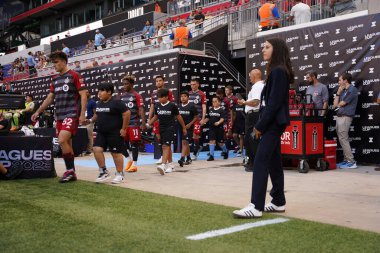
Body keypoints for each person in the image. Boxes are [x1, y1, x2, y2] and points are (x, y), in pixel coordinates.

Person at [233, 38, 294, 218]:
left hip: (273, 124)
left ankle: (256, 206)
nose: (263, 50)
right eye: (263, 47)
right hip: (273, 122)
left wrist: (260, 126)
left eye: (267, 47)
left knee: (259, 161)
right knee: (274, 163)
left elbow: (273, 104)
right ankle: (278, 201)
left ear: (277, 50)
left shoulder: (278, 71)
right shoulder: (277, 71)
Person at [31, 51, 88, 183]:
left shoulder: (75, 75)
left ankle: (69, 171)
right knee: (67, 143)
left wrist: (82, 114)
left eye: (56, 62)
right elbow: (50, 98)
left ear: (64, 61)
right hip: (59, 116)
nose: (54, 65)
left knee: (62, 140)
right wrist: (38, 111)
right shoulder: (55, 79)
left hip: (71, 114)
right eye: (53, 63)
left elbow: (83, 95)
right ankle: (72, 172)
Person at [90, 83, 130, 184]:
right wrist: (89, 121)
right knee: (96, 149)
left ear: (109, 92)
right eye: (98, 91)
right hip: (101, 133)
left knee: (116, 153)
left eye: (101, 91)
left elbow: (127, 114)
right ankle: (103, 172)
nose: (99, 93)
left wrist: (124, 129)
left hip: (115, 132)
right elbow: (97, 115)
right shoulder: (99, 103)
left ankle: (120, 174)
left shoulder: (117, 102)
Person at [148, 88, 187, 175]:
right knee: (166, 147)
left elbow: (179, 117)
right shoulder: (157, 105)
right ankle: (171, 165)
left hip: (170, 128)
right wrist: (149, 123)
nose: (159, 99)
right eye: (158, 98)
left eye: (161, 97)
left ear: (166, 97)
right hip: (161, 128)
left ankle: (163, 165)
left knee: (165, 146)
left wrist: (184, 127)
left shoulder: (172, 106)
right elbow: (156, 116)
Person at [238, 69, 265, 172]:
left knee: (253, 140)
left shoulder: (258, 86)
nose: (249, 78)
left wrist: (244, 102)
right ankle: (252, 162)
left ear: (254, 76)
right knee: (250, 140)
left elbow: (255, 102)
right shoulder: (258, 86)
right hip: (253, 115)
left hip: (254, 115)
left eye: (250, 76)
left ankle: (255, 164)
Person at [120, 75, 146, 173]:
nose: (124, 86)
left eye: (126, 84)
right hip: (123, 124)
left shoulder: (137, 95)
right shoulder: (121, 96)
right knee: (120, 143)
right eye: (123, 84)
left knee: (134, 144)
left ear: (131, 84)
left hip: (134, 123)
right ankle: (129, 160)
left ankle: (134, 165)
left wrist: (143, 123)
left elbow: (141, 109)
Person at [333, 73, 358, 169]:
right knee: (342, 139)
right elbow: (335, 105)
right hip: (339, 116)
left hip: (346, 117)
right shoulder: (342, 90)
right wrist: (338, 93)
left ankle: (351, 161)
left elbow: (341, 104)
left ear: (345, 80)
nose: (338, 82)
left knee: (343, 139)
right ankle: (346, 160)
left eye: (340, 80)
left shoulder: (352, 90)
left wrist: (339, 98)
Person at [148, 75, 175, 164]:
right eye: (157, 81)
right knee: (159, 138)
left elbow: (171, 106)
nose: (158, 82)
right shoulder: (153, 93)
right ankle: (162, 156)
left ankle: (166, 160)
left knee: (166, 141)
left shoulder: (168, 92)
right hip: (157, 119)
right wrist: (149, 118)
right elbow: (152, 106)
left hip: (166, 120)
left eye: (160, 80)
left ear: (163, 82)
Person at [178, 91, 198, 167]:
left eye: (184, 96)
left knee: (185, 142)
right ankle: (189, 158)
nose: (183, 98)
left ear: (188, 97)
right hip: (180, 127)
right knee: (185, 143)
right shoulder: (178, 106)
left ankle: (182, 158)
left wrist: (190, 124)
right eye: (181, 96)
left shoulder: (191, 106)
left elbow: (196, 117)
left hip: (188, 127)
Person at [204, 96, 228, 161]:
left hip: (219, 128)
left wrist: (218, 122)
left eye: (215, 101)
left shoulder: (221, 110)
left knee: (220, 143)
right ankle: (211, 156)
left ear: (219, 102)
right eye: (213, 101)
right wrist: (203, 122)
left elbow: (222, 119)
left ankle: (225, 151)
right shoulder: (211, 109)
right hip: (212, 128)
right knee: (212, 141)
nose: (214, 103)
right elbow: (208, 117)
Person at [188, 78, 207, 161]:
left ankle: (195, 153)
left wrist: (203, 118)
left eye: (194, 84)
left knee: (195, 135)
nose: (192, 86)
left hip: (197, 119)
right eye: (191, 84)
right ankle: (197, 147)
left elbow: (204, 106)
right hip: (189, 119)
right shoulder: (188, 94)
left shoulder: (201, 94)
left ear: (198, 84)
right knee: (190, 136)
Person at [84, 90, 96, 155]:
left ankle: (89, 150)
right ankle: (83, 149)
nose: (86, 93)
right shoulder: (83, 102)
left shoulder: (92, 102)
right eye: (85, 92)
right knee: (82, 135)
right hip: (83, 121)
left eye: (87, 92)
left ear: (90, 93)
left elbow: (95, 113)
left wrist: (90, 120)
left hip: (89, 121)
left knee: (89, 135)